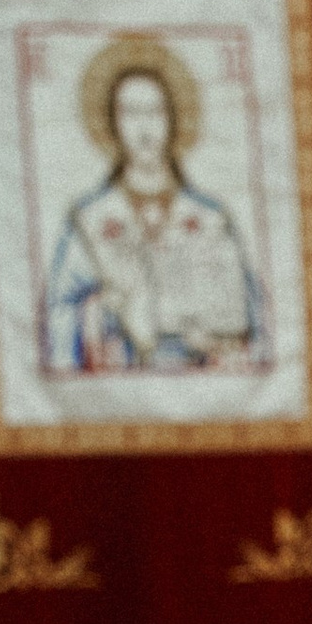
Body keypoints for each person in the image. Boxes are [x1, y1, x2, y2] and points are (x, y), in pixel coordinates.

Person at [44, 41, 265, 376]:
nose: (144, 126)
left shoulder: (210, 217)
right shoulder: (90, 218)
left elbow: (254, 320)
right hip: (117, 392)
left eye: (155, 111)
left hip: (202, 390)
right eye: (130, 112)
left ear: (173, 118)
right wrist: (101, 312)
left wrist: (222, 339)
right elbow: (58, 314)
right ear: (112, 122)